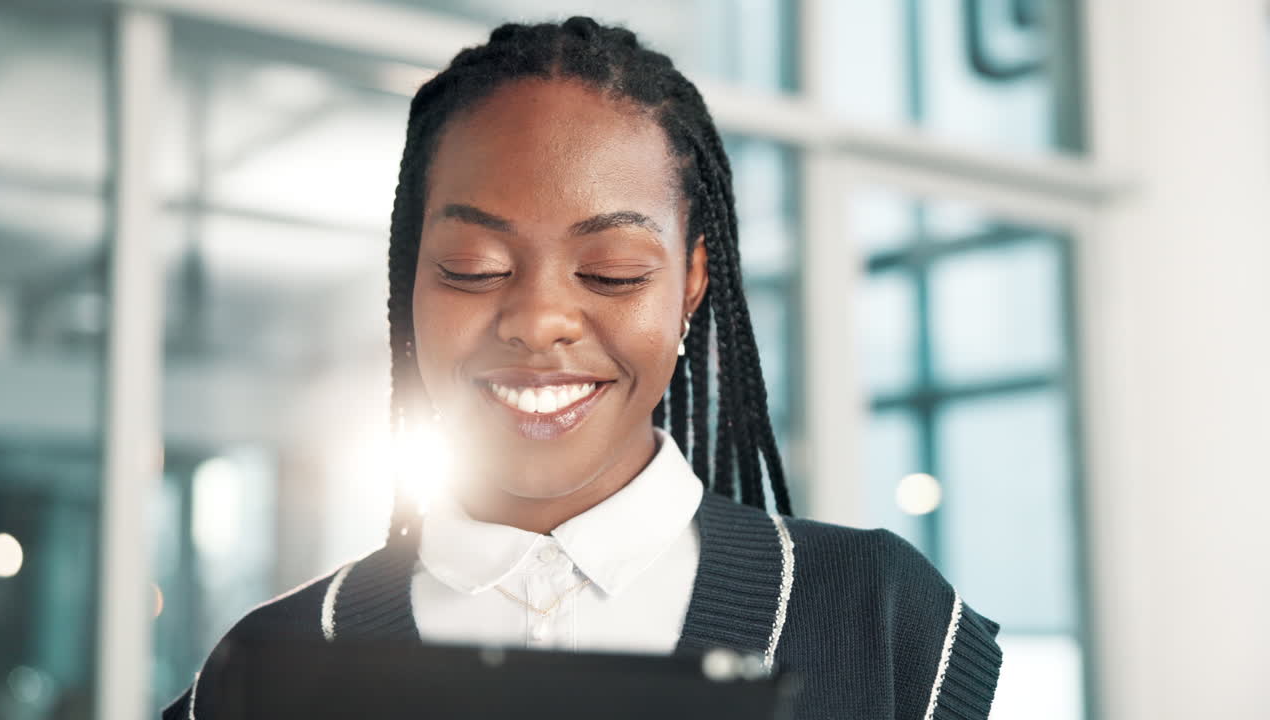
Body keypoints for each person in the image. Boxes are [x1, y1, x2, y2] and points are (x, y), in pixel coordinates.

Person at [165, 17, 1001, 720]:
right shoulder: (268, 665)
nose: (538, 323)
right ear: (410, 279)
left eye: (611, 273)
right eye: (472, 265)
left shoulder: (878, 616)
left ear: (690, 287)